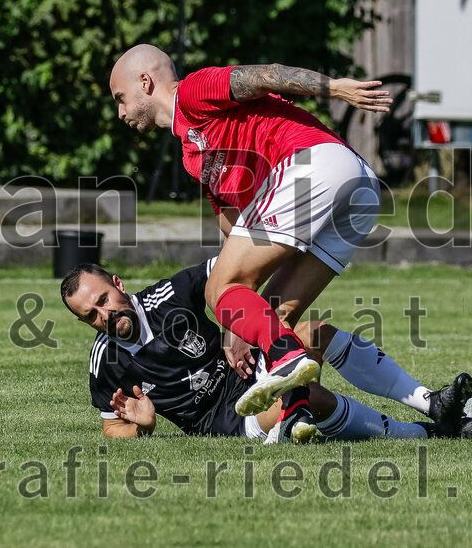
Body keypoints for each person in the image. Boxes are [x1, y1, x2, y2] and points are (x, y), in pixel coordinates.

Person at [109, 44, 394, 440]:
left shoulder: (192, 93)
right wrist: (236, 320)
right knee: (270, 318)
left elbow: (265, 75)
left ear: (145, 81)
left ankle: (290, 357)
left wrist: (334, 88)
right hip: (358, 188)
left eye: (120, 99)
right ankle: (306, 410)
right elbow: (235, 232)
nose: (120, 113)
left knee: (218, 289)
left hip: (315, 164)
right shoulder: (193, 153)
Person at [60, 260, 472, 442]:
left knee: (314, 333)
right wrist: (143, 425)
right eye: (89, 315)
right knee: (306, 398)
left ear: (118, 283)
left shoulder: (170, 294)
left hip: (252, 368)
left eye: (102, 299)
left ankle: (431, 403)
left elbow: (232, 269)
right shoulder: (106, 362)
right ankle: (428, 434)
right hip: (228, 419)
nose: (103, 314)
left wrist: (233, 322)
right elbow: (111, 427)